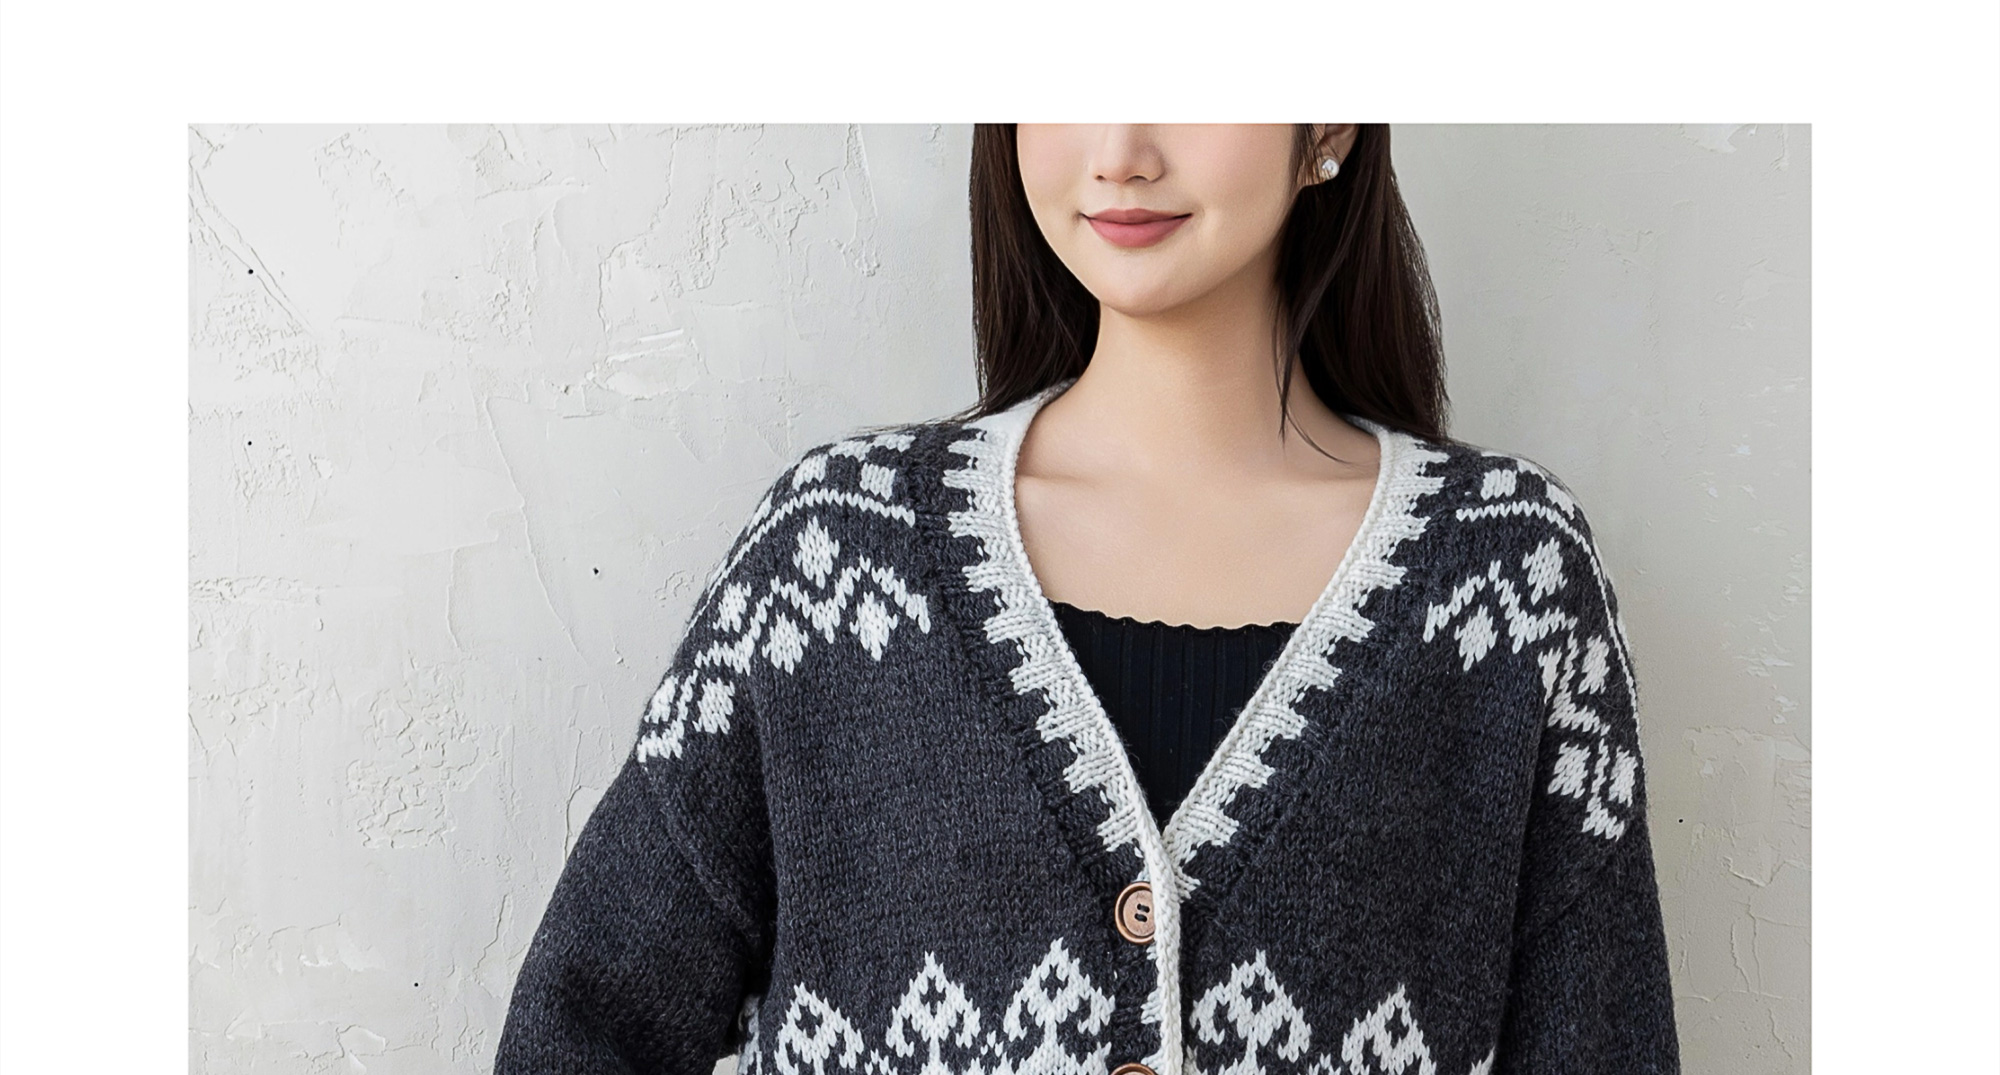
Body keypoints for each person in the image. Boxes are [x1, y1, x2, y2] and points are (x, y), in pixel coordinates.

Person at [495, 124, 1681, 1075]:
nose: (1119, 150)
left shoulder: (1505, 583)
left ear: (1326, 125)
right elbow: (585, 1025)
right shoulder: (832, 561)